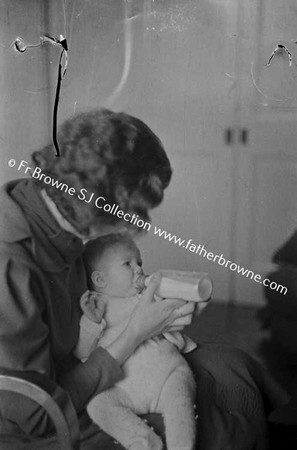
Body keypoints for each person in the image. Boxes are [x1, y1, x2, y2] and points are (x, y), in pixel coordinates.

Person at [0, 108, 288, 449]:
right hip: (45, 420)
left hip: (88, 366)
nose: (131, 225)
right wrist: (138, 329)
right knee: (213, 426)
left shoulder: (58, 213)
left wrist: (161, 309)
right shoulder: (12, 263)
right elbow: (38, 415)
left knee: (232, 364)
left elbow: (93, 304)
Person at [75, 233, 197, 450]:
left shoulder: (148, 296)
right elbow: (82, 351)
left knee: (180, 403)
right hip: (124, 388)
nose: (139, 269)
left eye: (139, 262)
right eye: (127, 264)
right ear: (100, 279)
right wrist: (91, 322)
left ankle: (183, 445)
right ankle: (142, 441)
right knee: (98, 405)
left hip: (167, 375)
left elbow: (176, 314)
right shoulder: (95, 307)